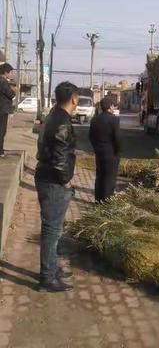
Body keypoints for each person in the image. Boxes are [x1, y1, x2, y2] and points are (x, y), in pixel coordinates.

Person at [35, 81, 79, 292]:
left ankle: (51, 268)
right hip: (53, 182)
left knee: (53, 228)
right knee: (52, 230)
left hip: (44, 175)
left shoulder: (53, 115)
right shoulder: (62, 121)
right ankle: (47, 277)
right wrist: (66, 180)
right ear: (74, 99)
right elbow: (60, 158)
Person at [89, 95, 122, 202]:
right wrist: (118, 152)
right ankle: (107, 202)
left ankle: (98, 200)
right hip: (111, 154)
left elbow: (91, 136)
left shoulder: (95, 120)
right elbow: (117, 138)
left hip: (99, 153)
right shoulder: (114, 120)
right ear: (110, 106)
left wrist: (96, 148)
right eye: (114, 106)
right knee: (109, 179)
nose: (114, 108)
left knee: (100, 176)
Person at [0, 63, 16, 157]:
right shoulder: (3, 81)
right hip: (2, 109)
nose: (11, 74)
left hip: (2, 109)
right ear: (6, 72)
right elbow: (10, 94)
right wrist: (14, 91)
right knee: (2, 131)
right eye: (10, 72)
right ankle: (0, 151)